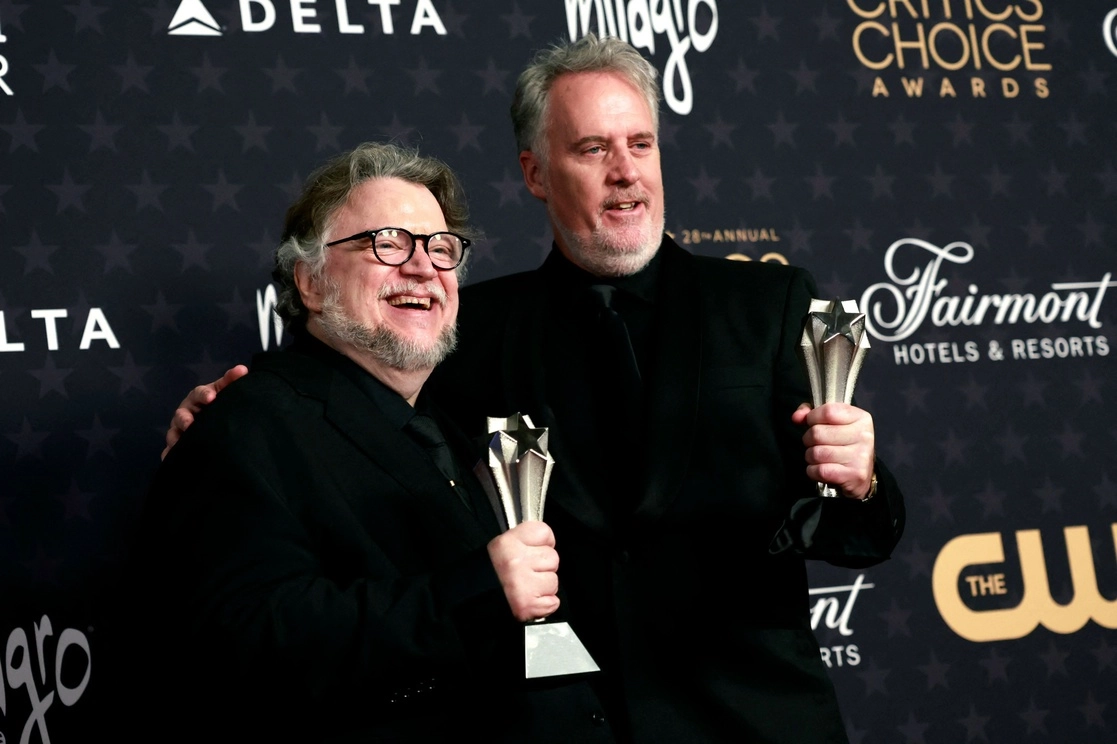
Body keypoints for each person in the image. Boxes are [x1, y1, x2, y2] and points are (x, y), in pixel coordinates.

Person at [166, 36, 905, 744]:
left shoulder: (769, 304)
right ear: (535, 173)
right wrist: (218, 419)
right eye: (592, 148)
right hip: (557, 721)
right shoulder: (463, 330)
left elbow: (856, 535)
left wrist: (861, 484)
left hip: (752, 719)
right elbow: (354, 415)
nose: (625, 171)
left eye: (639, 145)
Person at [123, 142, 616, 743]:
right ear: (309, 281)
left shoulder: (452, 423)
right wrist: (477, 588)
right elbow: (246, 642)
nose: (423, 268)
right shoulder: (244, 426)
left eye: (441, 248)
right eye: (387, 242)